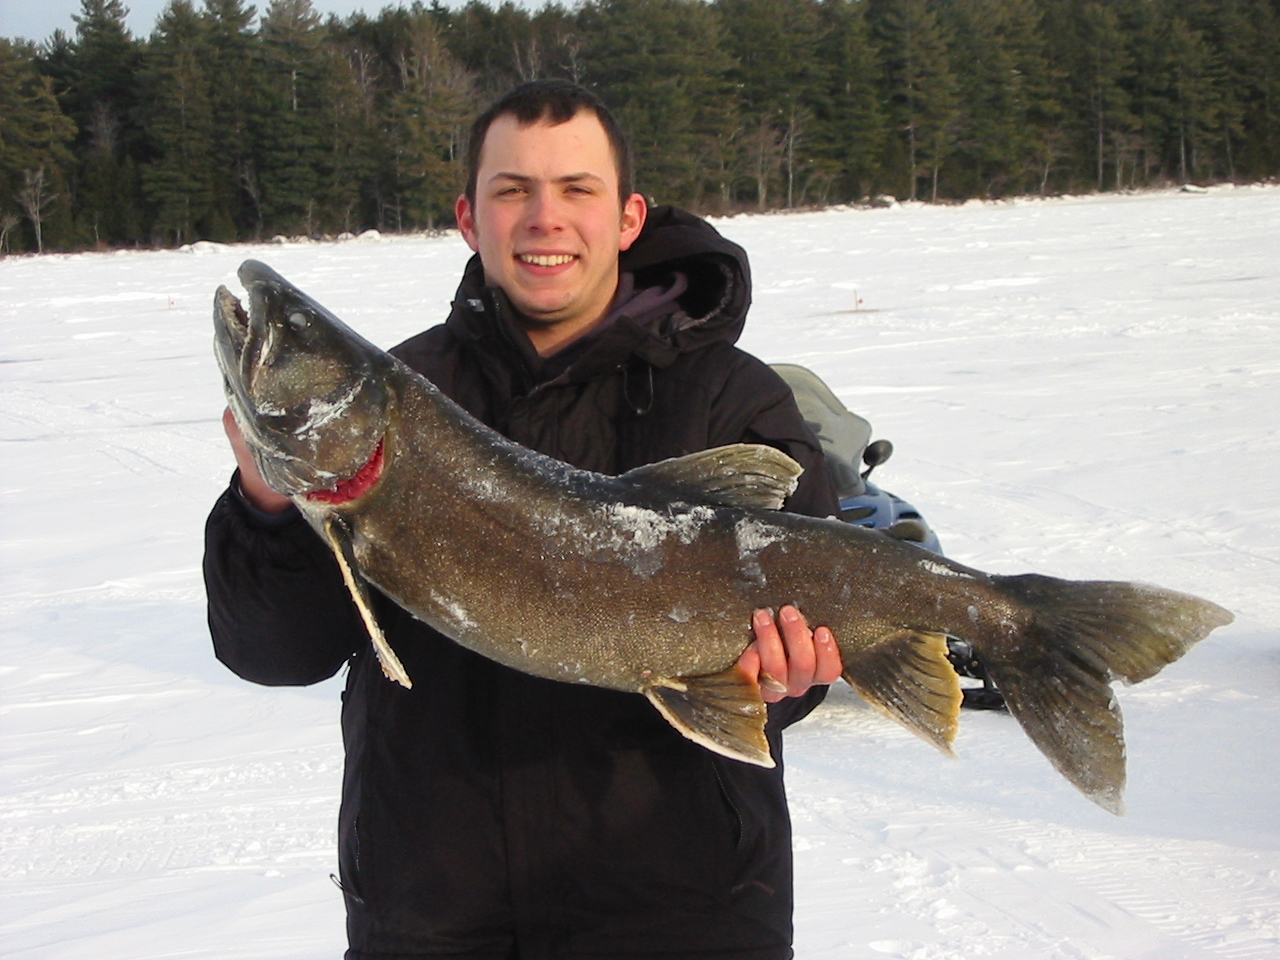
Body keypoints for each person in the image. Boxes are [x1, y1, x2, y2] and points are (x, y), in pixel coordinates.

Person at [205, 79, 843, 960]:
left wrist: (787, 682)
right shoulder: (398, 397)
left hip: (685, 918)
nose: (545, 217)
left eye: (577, 189)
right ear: (470, 217)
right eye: (514, 191)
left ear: (627, 217)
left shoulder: (731, 398)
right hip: (431, 918)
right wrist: (270, 506)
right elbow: (274, 651)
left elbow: (794, 661)